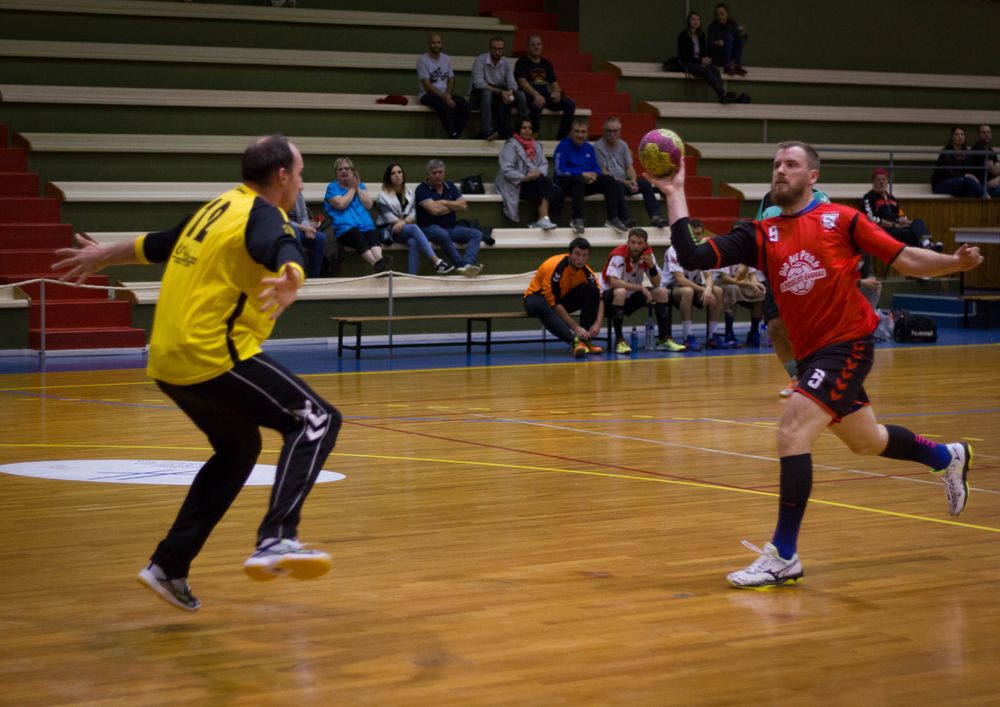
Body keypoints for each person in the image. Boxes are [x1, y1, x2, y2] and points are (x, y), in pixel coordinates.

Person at [649, 140, 983, 588]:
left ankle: (784, 555)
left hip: (847, 345)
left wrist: (953, 262)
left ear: (812, 177)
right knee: (867, 440)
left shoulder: (842, 220)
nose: (780, 170)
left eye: (791, 164)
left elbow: (904, 259)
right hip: (811, 355)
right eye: (776, 164)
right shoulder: (760, 234)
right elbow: (694, 255)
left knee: (792, 432)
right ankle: (946, 456)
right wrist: (675, 192)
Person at [51, 135, 342, 611]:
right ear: (282, 176)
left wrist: (104, 255)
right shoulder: (264, 213)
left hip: (167, 360)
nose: (302, 181)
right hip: (211, 354)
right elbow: (279, 243)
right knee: (317, 419)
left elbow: (157, 244)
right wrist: (293, 272)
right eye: (301, 172)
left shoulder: (217, 207)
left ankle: (169, 565)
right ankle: (277, 538)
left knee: (239, 448)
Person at [600, 227, 686, 354]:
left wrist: (651, 266)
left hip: (632, 295)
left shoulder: (648, 256)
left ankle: (663, 339)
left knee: (662, 292)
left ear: (645, 244)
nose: (636, 246)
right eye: (633, 242)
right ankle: (619, 341)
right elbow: (613, 282)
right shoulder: (619, 255)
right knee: (620, 291)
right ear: (628, 243)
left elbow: (657, 283)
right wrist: (641, 288)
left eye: (640, 243)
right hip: (608, 298)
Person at [523, 237, 605, 357]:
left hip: (561, 300)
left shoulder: (588, 273)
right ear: (569, 253)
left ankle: (585, 341)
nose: (581, 259)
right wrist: (575, 328)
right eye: (577, 254)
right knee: (539, 304)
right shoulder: (554, 266)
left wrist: (597, 323)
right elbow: (554, 304)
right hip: (536, 298)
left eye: (585, 255)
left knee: (591, 290)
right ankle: (574, 342)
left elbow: (600, 298)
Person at [374, 162, 454, 275]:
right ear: (389, 177)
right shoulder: (382, 196)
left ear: (403, 175)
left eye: (399, 172)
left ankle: (412, 276)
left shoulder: (409, 193)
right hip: (387, 230)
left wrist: (403, 223)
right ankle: (437, 262)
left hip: (403, 228)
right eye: (393, 173)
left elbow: (413, 213)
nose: (397, 175)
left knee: (413, 241)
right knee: (414, 228)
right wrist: (403, 223)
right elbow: (388, 217)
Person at [553, 120, 628, 235]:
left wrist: (594, 174)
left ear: (587, 134)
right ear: (570, 133)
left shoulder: (589, 147)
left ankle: (612, 218)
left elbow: (596, 167)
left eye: (583, 132)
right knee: (578, 179)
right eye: (577, 131)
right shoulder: (563, 146)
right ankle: (577, 219)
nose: (580, 135)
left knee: (609, 180)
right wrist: (581, 174)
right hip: (567, 183)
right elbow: (559, 170)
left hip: (586, 182)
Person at [662, 222, 729, 351]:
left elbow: (709, 276)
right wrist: (703, 289)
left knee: (717, 291)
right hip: (671, 289)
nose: (695, 238)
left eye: (698, 234)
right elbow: (680, 280)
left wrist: (708, 289)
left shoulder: (703, 250)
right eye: (692, 235)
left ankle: (712, 336)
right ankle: (688, 336)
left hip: (694, 287)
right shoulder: (674, 250)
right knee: (687, 291)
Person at [594, 116, 669, 228]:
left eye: (615, 131)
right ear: (604, 131)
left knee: (645, 184)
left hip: (625, 180)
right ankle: (625, 218)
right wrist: (626, 182)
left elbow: (629, 167)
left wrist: (633, 180)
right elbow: (604, 172)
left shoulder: (623, 145)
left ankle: (655, 216)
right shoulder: (598, 146)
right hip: (611, 183)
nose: (612, 134)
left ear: (620, 131)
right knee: (617, 184)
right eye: (609, 131)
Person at [415, 158, 483, 276]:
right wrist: (453, 206)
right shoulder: (421, 189)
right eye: (434, 173)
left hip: (451, 227)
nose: (437, 176)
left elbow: (463, 206)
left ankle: (468, 263)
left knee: (476, 234)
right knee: (441, 233)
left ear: (444, 173)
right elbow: (434, 211)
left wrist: (444, 202)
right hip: (429, 228)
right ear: (428, 174)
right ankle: (461, 265)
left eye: (440, 172)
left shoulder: (450, 186)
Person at [324, 157, 391, 273]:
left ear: (353, 172)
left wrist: (358, 187)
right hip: (345, 229)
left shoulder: (361, 186)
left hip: (365, 226)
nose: (343, 171)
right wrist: (353, 189)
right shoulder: (332, 187)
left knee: (372, 235)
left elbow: (369, 204)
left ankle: (380, 260)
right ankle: (375, 264)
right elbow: (341, 204)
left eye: (347, 168)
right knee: (358, 236)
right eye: (340, 169)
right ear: (336, 173)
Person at [496, 117, 564, 229]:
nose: (527, 130)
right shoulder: (510, 145)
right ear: (518, 129)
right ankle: (543, 219)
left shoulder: (536, 145)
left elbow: (543, 164)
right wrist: (524, 177)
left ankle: (541, 220)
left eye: (530, 128)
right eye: (524, 128)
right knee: (545, 184)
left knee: (556, 190)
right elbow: (506, 169)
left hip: (534, 181)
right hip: (515, 183)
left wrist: (538, 173)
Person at [861, 168, 943, 250]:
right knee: (910, 234)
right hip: (881, 231)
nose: (881, 182)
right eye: (878, 179)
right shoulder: (868, 198)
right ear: (873, 182)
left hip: (897, 227)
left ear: (887, 182)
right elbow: (872, 219)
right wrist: (894, 225)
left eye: (884, 179)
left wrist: (904, 220)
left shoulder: (892, 198)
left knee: (917, 222)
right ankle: (927, 247)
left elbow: (900, 214)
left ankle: (926, 244)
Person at [514, 34, 576, 141]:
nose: (536, 47)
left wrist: (557, 93)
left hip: (545, 97)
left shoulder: (546, 63)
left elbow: (554, 83)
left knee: (570, 104)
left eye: (538, 45)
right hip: (529, 96)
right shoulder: (521, 62)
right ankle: (534, 135)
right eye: (533, 45)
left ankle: (561, 137)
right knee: (537, 103)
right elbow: (522, 83)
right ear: (527, 47)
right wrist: (536, 95)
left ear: (542, 46)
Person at [676, 11, 745, 104]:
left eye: (698, 19)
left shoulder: (701, 35)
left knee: (715, 70)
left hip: (699, 62)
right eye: (693, 19)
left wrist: (706, 59)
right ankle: (723, 93)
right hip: (688, 63)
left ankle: (722, 95)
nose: (696, 22)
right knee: (706, 72)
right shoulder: (683, 35)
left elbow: (703, 52)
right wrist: (700, 60)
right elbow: (683, 55)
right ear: (689, 21)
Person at [470, 35, 526, 141]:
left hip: (500, 94)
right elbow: (479, 83)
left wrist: (510, 91)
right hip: (480, 95)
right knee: (487, 93)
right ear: (490, 49)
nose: (497, 52)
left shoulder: (505, 62)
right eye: (494, 49)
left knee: (520, 95)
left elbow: (512, 82)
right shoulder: (480, 60)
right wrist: (500, 92)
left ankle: (523, 129)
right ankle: (487, 131)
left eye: (500, 49)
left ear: (503, 50)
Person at [417, 32, 470, 139]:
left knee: (464, 105)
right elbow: (427, 85)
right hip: (427, 95)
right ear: (428, 44)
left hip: (445, 94)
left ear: (442, 44)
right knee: (441, 104)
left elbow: (451, 79)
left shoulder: (446, 58)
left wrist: (448, 95)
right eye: (433, 43)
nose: (436, 45)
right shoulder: (422, 60)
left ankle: (456, 133)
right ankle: (452, 133)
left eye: (438, 42)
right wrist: (445, 98)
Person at [714, 261, 765, 348]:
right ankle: (729, 333)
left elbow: (753, 276)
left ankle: (754, 332)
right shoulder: (726, 254)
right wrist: (748, 284)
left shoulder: (747, 255)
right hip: (726, 283)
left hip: (745, 283)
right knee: (732, 289)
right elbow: (725, 278)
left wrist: (755, 284)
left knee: (759, 292)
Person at [931, 126, 986, 198]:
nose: (960, 137)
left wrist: (970, 177)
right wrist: (965, 176)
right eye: (957, 134)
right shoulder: (946, 152)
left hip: (961, 182)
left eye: (962, 134)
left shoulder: (967, 153)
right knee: (968, 181)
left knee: (970, 193)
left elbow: (970, 171)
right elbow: (948, 173)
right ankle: (987, 198)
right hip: (942, 183)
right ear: (952, 137)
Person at [287, 190, 326, 278]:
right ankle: (294, 276)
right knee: (295, 233)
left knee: (319, 238)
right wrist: (304, 228)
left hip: (300, 228)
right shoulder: (275, 192)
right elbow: (281, 219)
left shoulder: (297, 192)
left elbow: (304, 216)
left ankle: (314, 276)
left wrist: (307, 230)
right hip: (283, 229)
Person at [708, 3, 748, 76]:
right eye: (717, 14)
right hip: (719, 55)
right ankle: (727, 66)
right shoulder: (712, 26)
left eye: (722, 14)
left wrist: (743, 34)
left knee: (739, 37)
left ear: (727, 14)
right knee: (728, 37)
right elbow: (710, 45)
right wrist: (717, 43)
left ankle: (737, 65)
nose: (719, 16)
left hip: (731, 55)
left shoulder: (733, 23)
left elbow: (739, 41)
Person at [970, 123, 1000, 198]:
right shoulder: (977, 148)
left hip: (994, 183)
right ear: (978, 135)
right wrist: (996, 172)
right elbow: (994, 170)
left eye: (989, 132)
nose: (987, 135)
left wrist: (998, 178)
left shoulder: (991, 150)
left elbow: (997, 169)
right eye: (983, 132)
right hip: (982, 186)